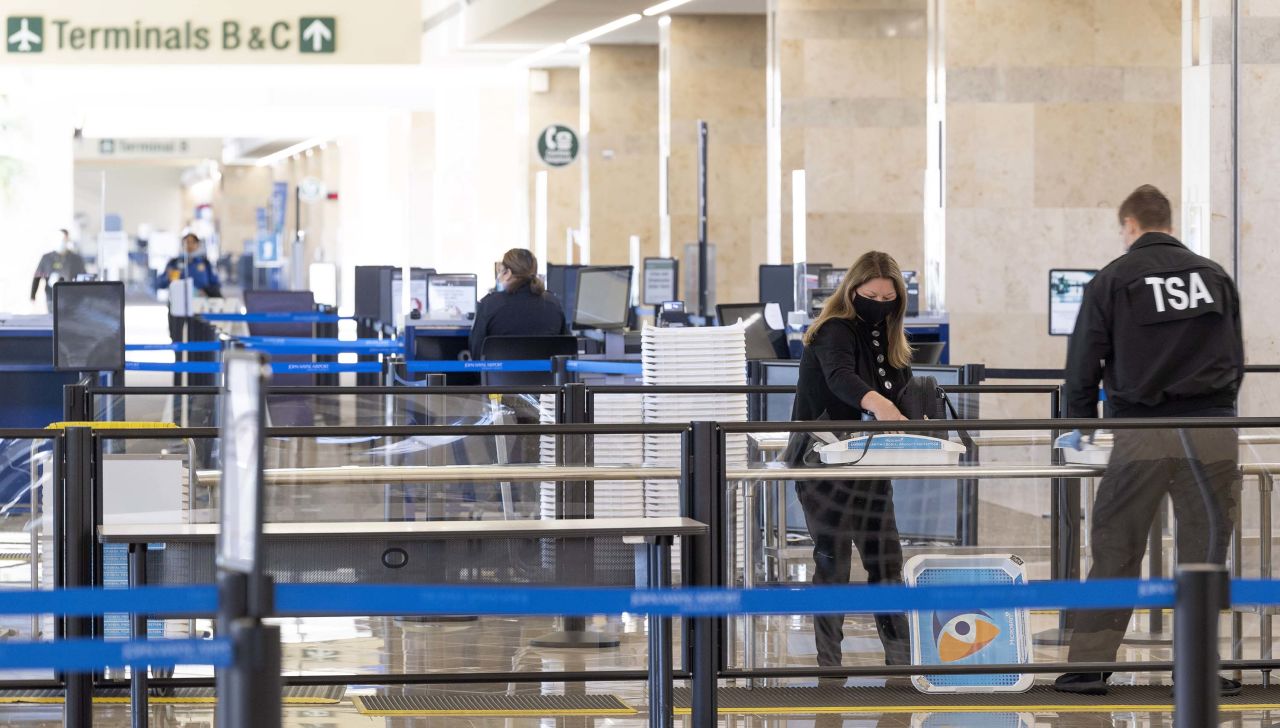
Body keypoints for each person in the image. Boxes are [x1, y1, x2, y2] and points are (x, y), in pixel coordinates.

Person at [1055, 185, 1245, 696]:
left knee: (1117, 546)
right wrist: (1219, 411)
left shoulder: (1114, 278)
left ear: (1130, 226)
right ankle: (1199, 667)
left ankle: (1088, 669)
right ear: (1169, 221)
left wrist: (1080, 422)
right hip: (1212, 431)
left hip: (1142, 431)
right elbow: (1236, 356)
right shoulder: (1215, 276)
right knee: (1202, 550)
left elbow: (1083, 360)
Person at [791, 250, 914, 677]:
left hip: (868, 463)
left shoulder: (890, 339)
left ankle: (900, 664)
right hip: (823, 462)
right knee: (834, 561)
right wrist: (879, 403)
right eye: (872, 294)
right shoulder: (833, 330)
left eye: (888, 297)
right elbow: (841, 377)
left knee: (887, 561)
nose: (880, 303)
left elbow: (899, 389)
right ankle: (831, 665)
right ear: (852, 290)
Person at [469, 248, 568, 357]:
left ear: (508, 273)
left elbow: (476, 353)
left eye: (500, 271)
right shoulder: (553, 304)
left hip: (498, 374)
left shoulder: (489, 305)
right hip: (546, 373)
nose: (499, 276)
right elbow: (565, 350)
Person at [31, 229, 87, 308]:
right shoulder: (46, 258)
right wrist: (33, 295)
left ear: (68, 240)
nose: (62, 242)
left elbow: (84, 278)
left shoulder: (76, 259)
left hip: (71, 299)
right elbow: (37, 276)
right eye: (60, 239)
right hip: (51, 297)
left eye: (64, 239)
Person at [158, 233, 222, 299]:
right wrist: (167, 278)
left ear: (198, 244)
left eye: (193, 242)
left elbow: (216, 283)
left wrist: (206, 291)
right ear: (182, 244)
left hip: (201, 303)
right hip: (178, 301)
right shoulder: (174, 263)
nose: (190, 245)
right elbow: (160, 284)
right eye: (187, 242)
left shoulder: (205, 263)